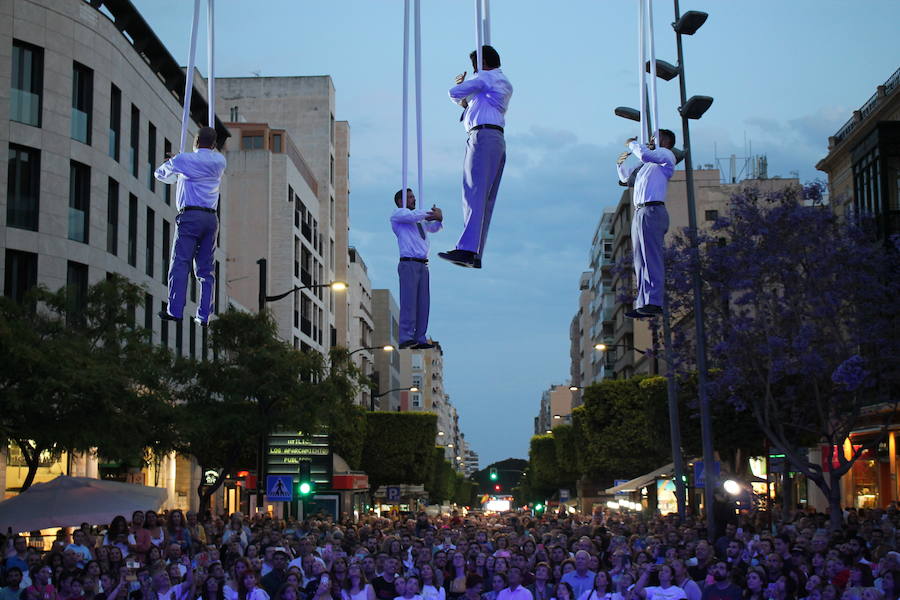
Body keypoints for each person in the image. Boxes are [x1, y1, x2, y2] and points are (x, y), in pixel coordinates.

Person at [438, 45, 512, 269]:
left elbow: (453, 92)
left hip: (483, 137)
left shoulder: (486, 79)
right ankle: (475, 252)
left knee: (474, 193)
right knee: (484, 200)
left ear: (481, 65)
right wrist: (466, 89)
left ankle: (467, 249)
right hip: (493, 138)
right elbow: (464, 100)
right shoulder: (492, 85)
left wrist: (464, 82)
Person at [154, 126, 227, 325]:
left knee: (180, 263)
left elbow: (159, 174)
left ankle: (175, 310)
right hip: (211, 219)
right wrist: (180, 162)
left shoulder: (183, 160)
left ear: (195, 143)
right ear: (213, 145)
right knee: (206, 270)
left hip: (190, 217)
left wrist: (173, 162)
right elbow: (200, 162)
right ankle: (204, 315)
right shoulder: (220, 161)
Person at [615, 129, 677, 318]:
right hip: (640, 211)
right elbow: (625, 177)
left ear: (665, 141)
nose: (650, 141)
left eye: (654, 138)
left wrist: (633, 144)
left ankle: (654, 301)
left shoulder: (666, 156)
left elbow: (644, 153)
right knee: (640, 260)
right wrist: (620, 163)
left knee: (651, 258)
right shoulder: (646, 165)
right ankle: (644, 302)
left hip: (652, 210)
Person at [390, 188, 443, 349]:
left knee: (423, 303)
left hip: (423, 264)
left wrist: (439, 219)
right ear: (401, 201)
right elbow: (412, 215)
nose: (414, 199)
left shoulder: (419, 219)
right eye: (410, 197)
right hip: (408, 263)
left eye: (413, 197)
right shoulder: (398, 215)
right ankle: (406, 335)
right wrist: (431, 213)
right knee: (409, 302)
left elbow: (434, 228)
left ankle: (420, 336)